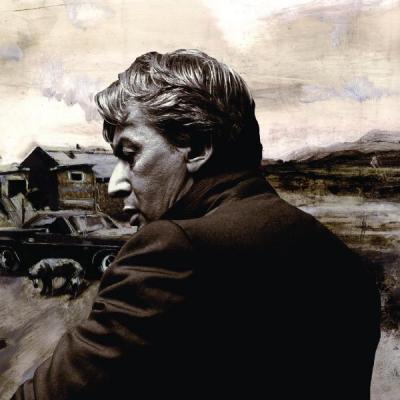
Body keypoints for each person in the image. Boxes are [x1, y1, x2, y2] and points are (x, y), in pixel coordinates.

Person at [12, 49, 380, 399]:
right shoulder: (345, 263)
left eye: (131, 154)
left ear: (199, 147)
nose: (115, 184)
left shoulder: (173, 250)